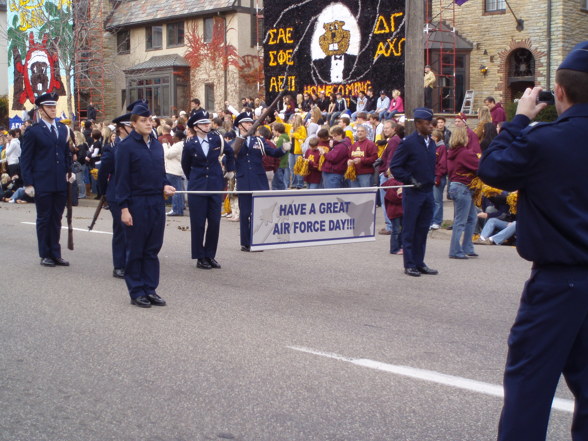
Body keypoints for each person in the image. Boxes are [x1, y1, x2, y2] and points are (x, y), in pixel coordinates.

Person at [478, 41, 588, 441]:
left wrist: (521, 118)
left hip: (558, 282)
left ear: (558, 93)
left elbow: (491, 168)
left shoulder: (545, 140)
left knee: (530, 385)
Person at [114, 100, 176, 308]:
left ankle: (150, 288)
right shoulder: (126, 147)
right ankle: (137, 290)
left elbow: (160, 173)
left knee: (152, 249)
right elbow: (121, 180)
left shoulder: (157, 146)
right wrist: (124, 209)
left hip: (156, 203)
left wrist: (165, 185)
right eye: (144, 120)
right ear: (133, 123)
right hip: (136, 203)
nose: (149, 123)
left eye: (150, 119)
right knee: (136, 249)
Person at [20, 92, 73, 267]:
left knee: (56, 218)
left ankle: (55, 253)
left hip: (59, 181)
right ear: (41, 110)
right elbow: (26, 159)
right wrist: (28, 183)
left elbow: (66, 154)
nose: (53, 109)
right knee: (44, 218)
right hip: (42, 182)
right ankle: (45, 254)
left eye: (54, 106)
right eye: (49, 107)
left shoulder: (63, 129)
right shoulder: (34, 131)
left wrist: (69, 171)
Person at [182, 109, 235, 269]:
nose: (207, 125)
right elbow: (186, 166)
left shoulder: (216, 138)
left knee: (214, 222)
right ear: (196, 127)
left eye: (207, 122)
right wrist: (194, 180)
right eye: (203, 123)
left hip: (214, 184)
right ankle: (200, 257)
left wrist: (230, 170)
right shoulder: (190, 144)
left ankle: (210, 255)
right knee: (198, 223)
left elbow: (230, 152)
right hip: (197, 187)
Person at [389, 107, 438, 277]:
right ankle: (409, 264)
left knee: (423, 229)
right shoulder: (408, 142)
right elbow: (395, 166)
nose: (431, 126)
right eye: (427, 123)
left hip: (427, 191)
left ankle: (419, 262)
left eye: (432, 123)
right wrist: (409, 179)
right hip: (413, 192)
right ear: (418, 124)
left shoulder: (431, 143)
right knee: (410, 228)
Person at [233, 111, 288, 251]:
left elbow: (274, 153)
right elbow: (229, 160)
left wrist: (284, 148)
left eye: (251, 123)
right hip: (244, 181)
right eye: (247, 123)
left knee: (259, 213)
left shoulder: (260, 141)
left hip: (259, 181)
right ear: (239, 125)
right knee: (245, 213)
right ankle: (245, 242)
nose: (250, 125)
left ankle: (257, 241)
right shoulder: (235, 142)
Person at [98, 112, 133, 279]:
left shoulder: (137, 145)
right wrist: (103, 193)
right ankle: (119, 265)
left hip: (135, 193)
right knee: (121, 229)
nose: (133, 129)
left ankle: (132, 261)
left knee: (133, 229)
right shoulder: (112, 148)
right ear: (121, 129)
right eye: (129, 126)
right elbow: (103, 172)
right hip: (117, 193)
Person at [447, 126, 479, 259]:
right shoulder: (465, 153)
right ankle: (455, 250)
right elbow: (478, 166)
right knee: (461, 220)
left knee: (472, 218)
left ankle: (467, 247)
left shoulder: (452, 152)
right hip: (462, 187)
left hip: (456, 185)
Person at [164, 128, 185, 217]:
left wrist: (165, 145)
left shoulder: (178, 145)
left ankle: (176, 209)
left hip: (173, 170)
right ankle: (179, 207)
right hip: (175, 170)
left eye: (174, 136)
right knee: (179, 190)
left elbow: (168, 154)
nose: (172, 137)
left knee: (175, 190)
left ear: (178, 137)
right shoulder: (179, 145)